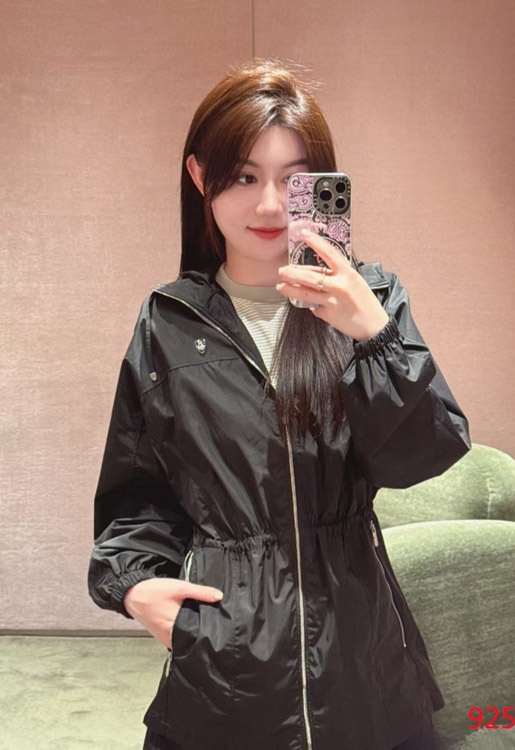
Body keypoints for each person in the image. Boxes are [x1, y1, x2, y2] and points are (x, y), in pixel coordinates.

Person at [88, 59, 470, 750]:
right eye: (242, 176)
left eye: (293, 179)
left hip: (361, 657)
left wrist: (373, 336)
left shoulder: (373, 300)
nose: (269, 206)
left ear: (322, 186)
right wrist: (135, 586)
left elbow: (423, 455)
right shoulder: (169, 322)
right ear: (199, 176)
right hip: (227, 663)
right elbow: (137, 492)